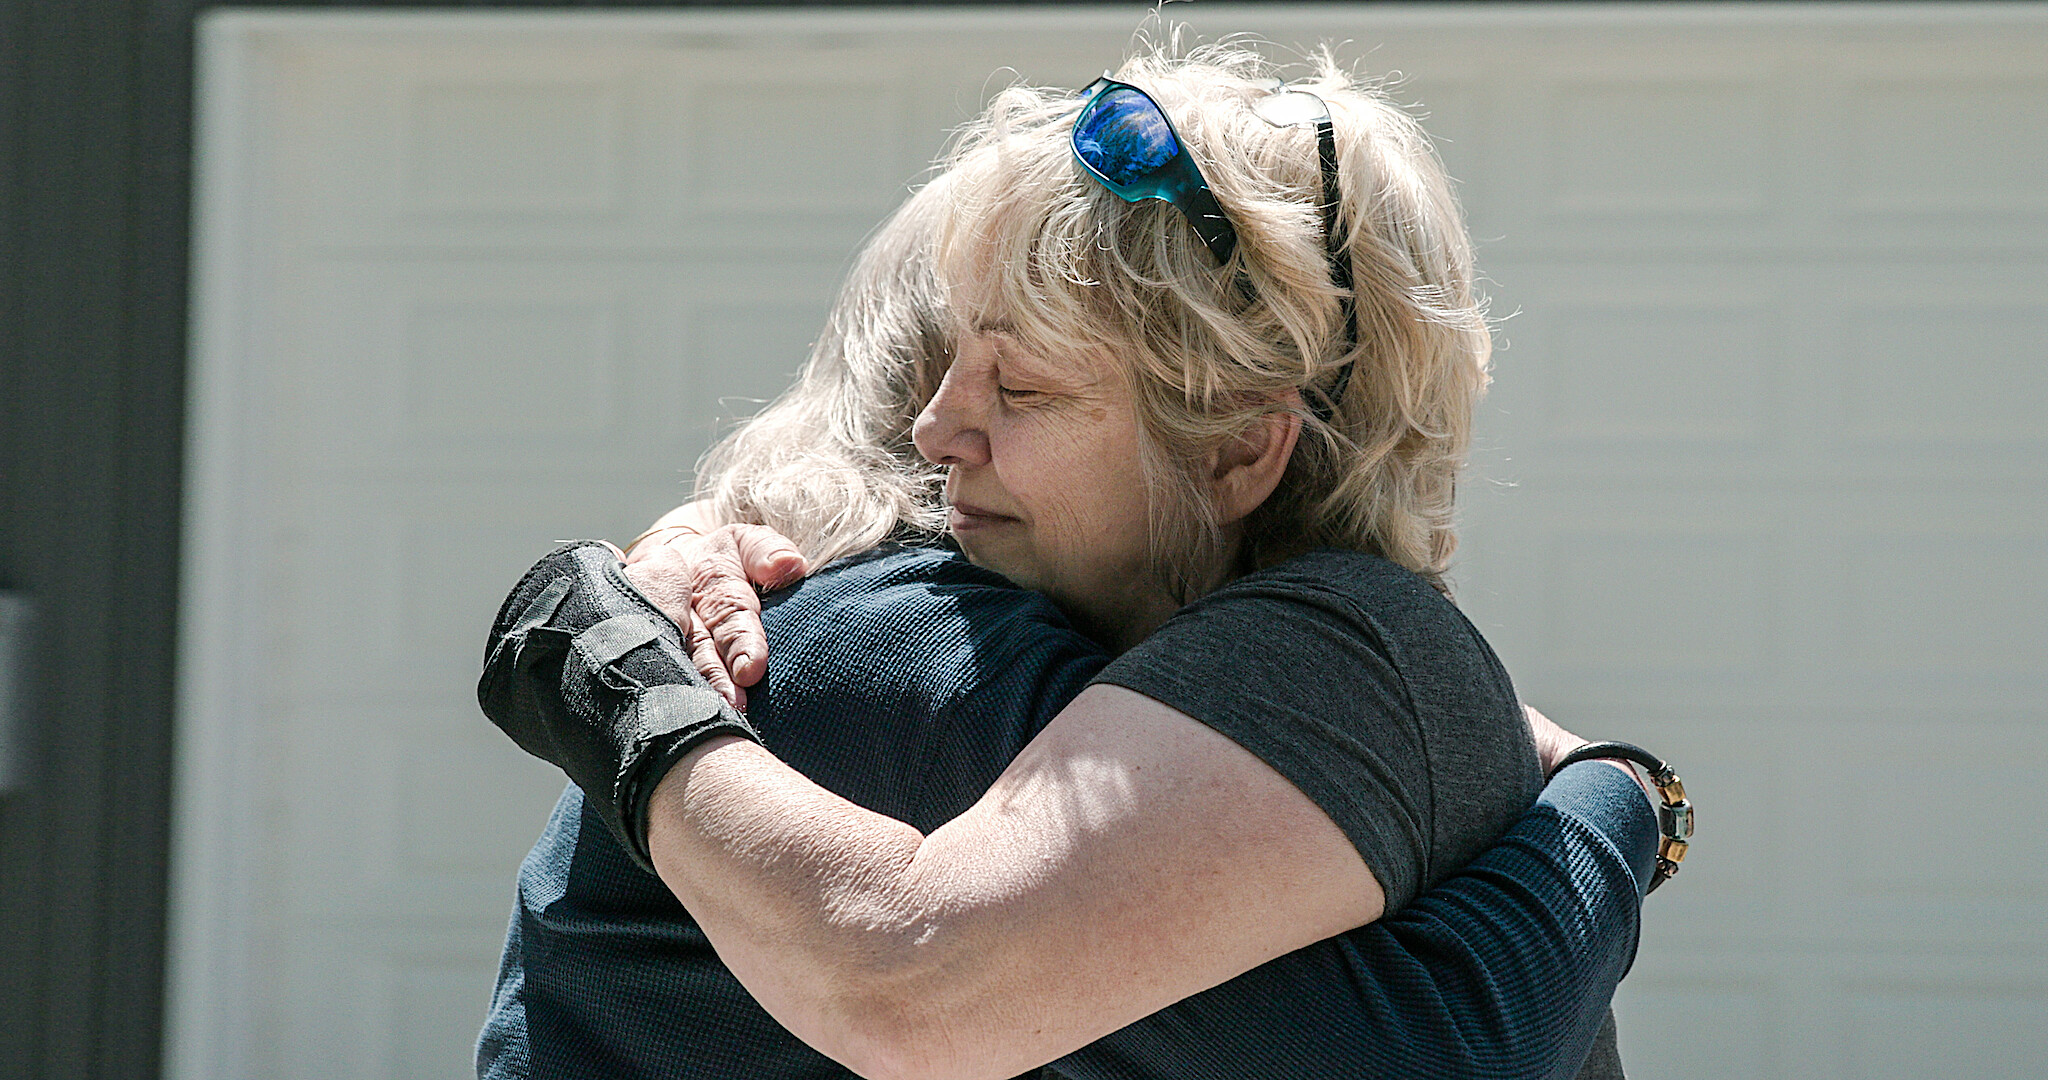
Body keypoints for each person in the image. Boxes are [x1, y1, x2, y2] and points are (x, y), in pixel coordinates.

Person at [480, 44, 1673, 1080]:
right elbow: (1431, 1051)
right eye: (951, 361)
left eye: (1023, 383)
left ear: (1239, 449)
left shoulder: (871, 637)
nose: (937, 430)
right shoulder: (902, 652)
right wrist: (1616, 802)